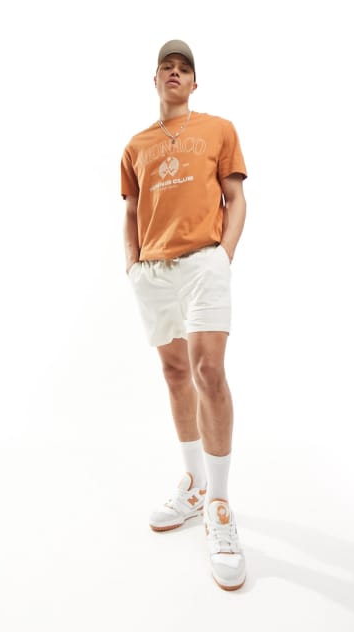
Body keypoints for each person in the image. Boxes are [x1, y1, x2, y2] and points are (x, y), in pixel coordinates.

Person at [120, 39, 247, 591]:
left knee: (207, 370)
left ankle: (218, 502)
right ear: (155, 81)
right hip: (153, 271)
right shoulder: (136, 146)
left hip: (203, 263)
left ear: (194, 83)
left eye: (184, 68)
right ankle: (193, 485)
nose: (175, 73)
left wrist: (223, 255)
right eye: (166, 67)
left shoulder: (218, 130)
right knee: (175, 373)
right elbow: (131, 210)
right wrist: (132, 264)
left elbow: (235, 198)